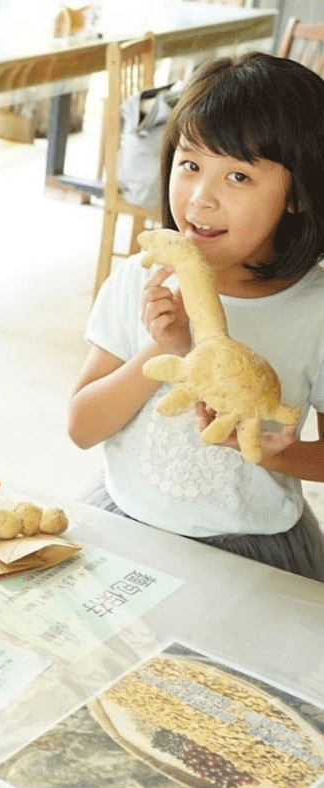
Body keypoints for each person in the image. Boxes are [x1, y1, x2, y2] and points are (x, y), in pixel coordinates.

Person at [69, 52, 324, 582]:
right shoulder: (142, 282)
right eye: (190, 165)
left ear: (298, 193)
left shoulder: (314, 309)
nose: (201, 199)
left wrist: (277, 454)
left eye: (237, 175)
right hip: (128, 527)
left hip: (256, 550)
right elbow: (82, 426)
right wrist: (159, 348)